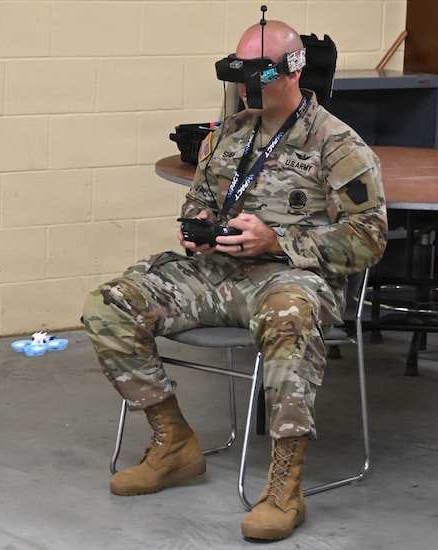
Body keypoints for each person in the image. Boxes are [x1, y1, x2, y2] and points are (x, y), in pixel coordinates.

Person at [82, 18, 388, 542]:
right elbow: (199, 199)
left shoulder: (337, 145)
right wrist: (200, 230)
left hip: (291, 279)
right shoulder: (227, 134)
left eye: (258, 73)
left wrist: (278, 242)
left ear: (293, 72)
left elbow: (370, 239)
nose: (245, 86)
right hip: (219, 273)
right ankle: (174, 442)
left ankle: (284, 486)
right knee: (111, 303)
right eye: (238, 72)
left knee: (290, 317)